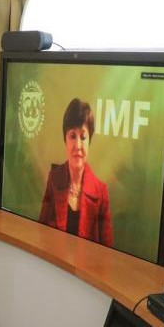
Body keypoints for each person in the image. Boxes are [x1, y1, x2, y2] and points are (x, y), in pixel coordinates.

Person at [39, 98, 114, 246]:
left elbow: (108, 253)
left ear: (89, 141)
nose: (78, 145)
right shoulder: (54, 178)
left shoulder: (101, 192)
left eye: (83, 137)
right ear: (65, 140)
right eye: (72, 136)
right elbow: (41, 234)